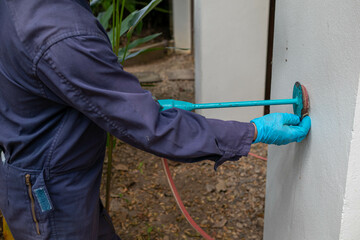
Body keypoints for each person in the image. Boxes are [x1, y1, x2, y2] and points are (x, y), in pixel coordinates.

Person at [0, 0, 311, 239]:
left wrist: (116, 99)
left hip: (47, 180)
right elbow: (155, 128)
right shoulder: (58, 33)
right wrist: (254, 131)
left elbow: (51, 86)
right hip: (49, 197)